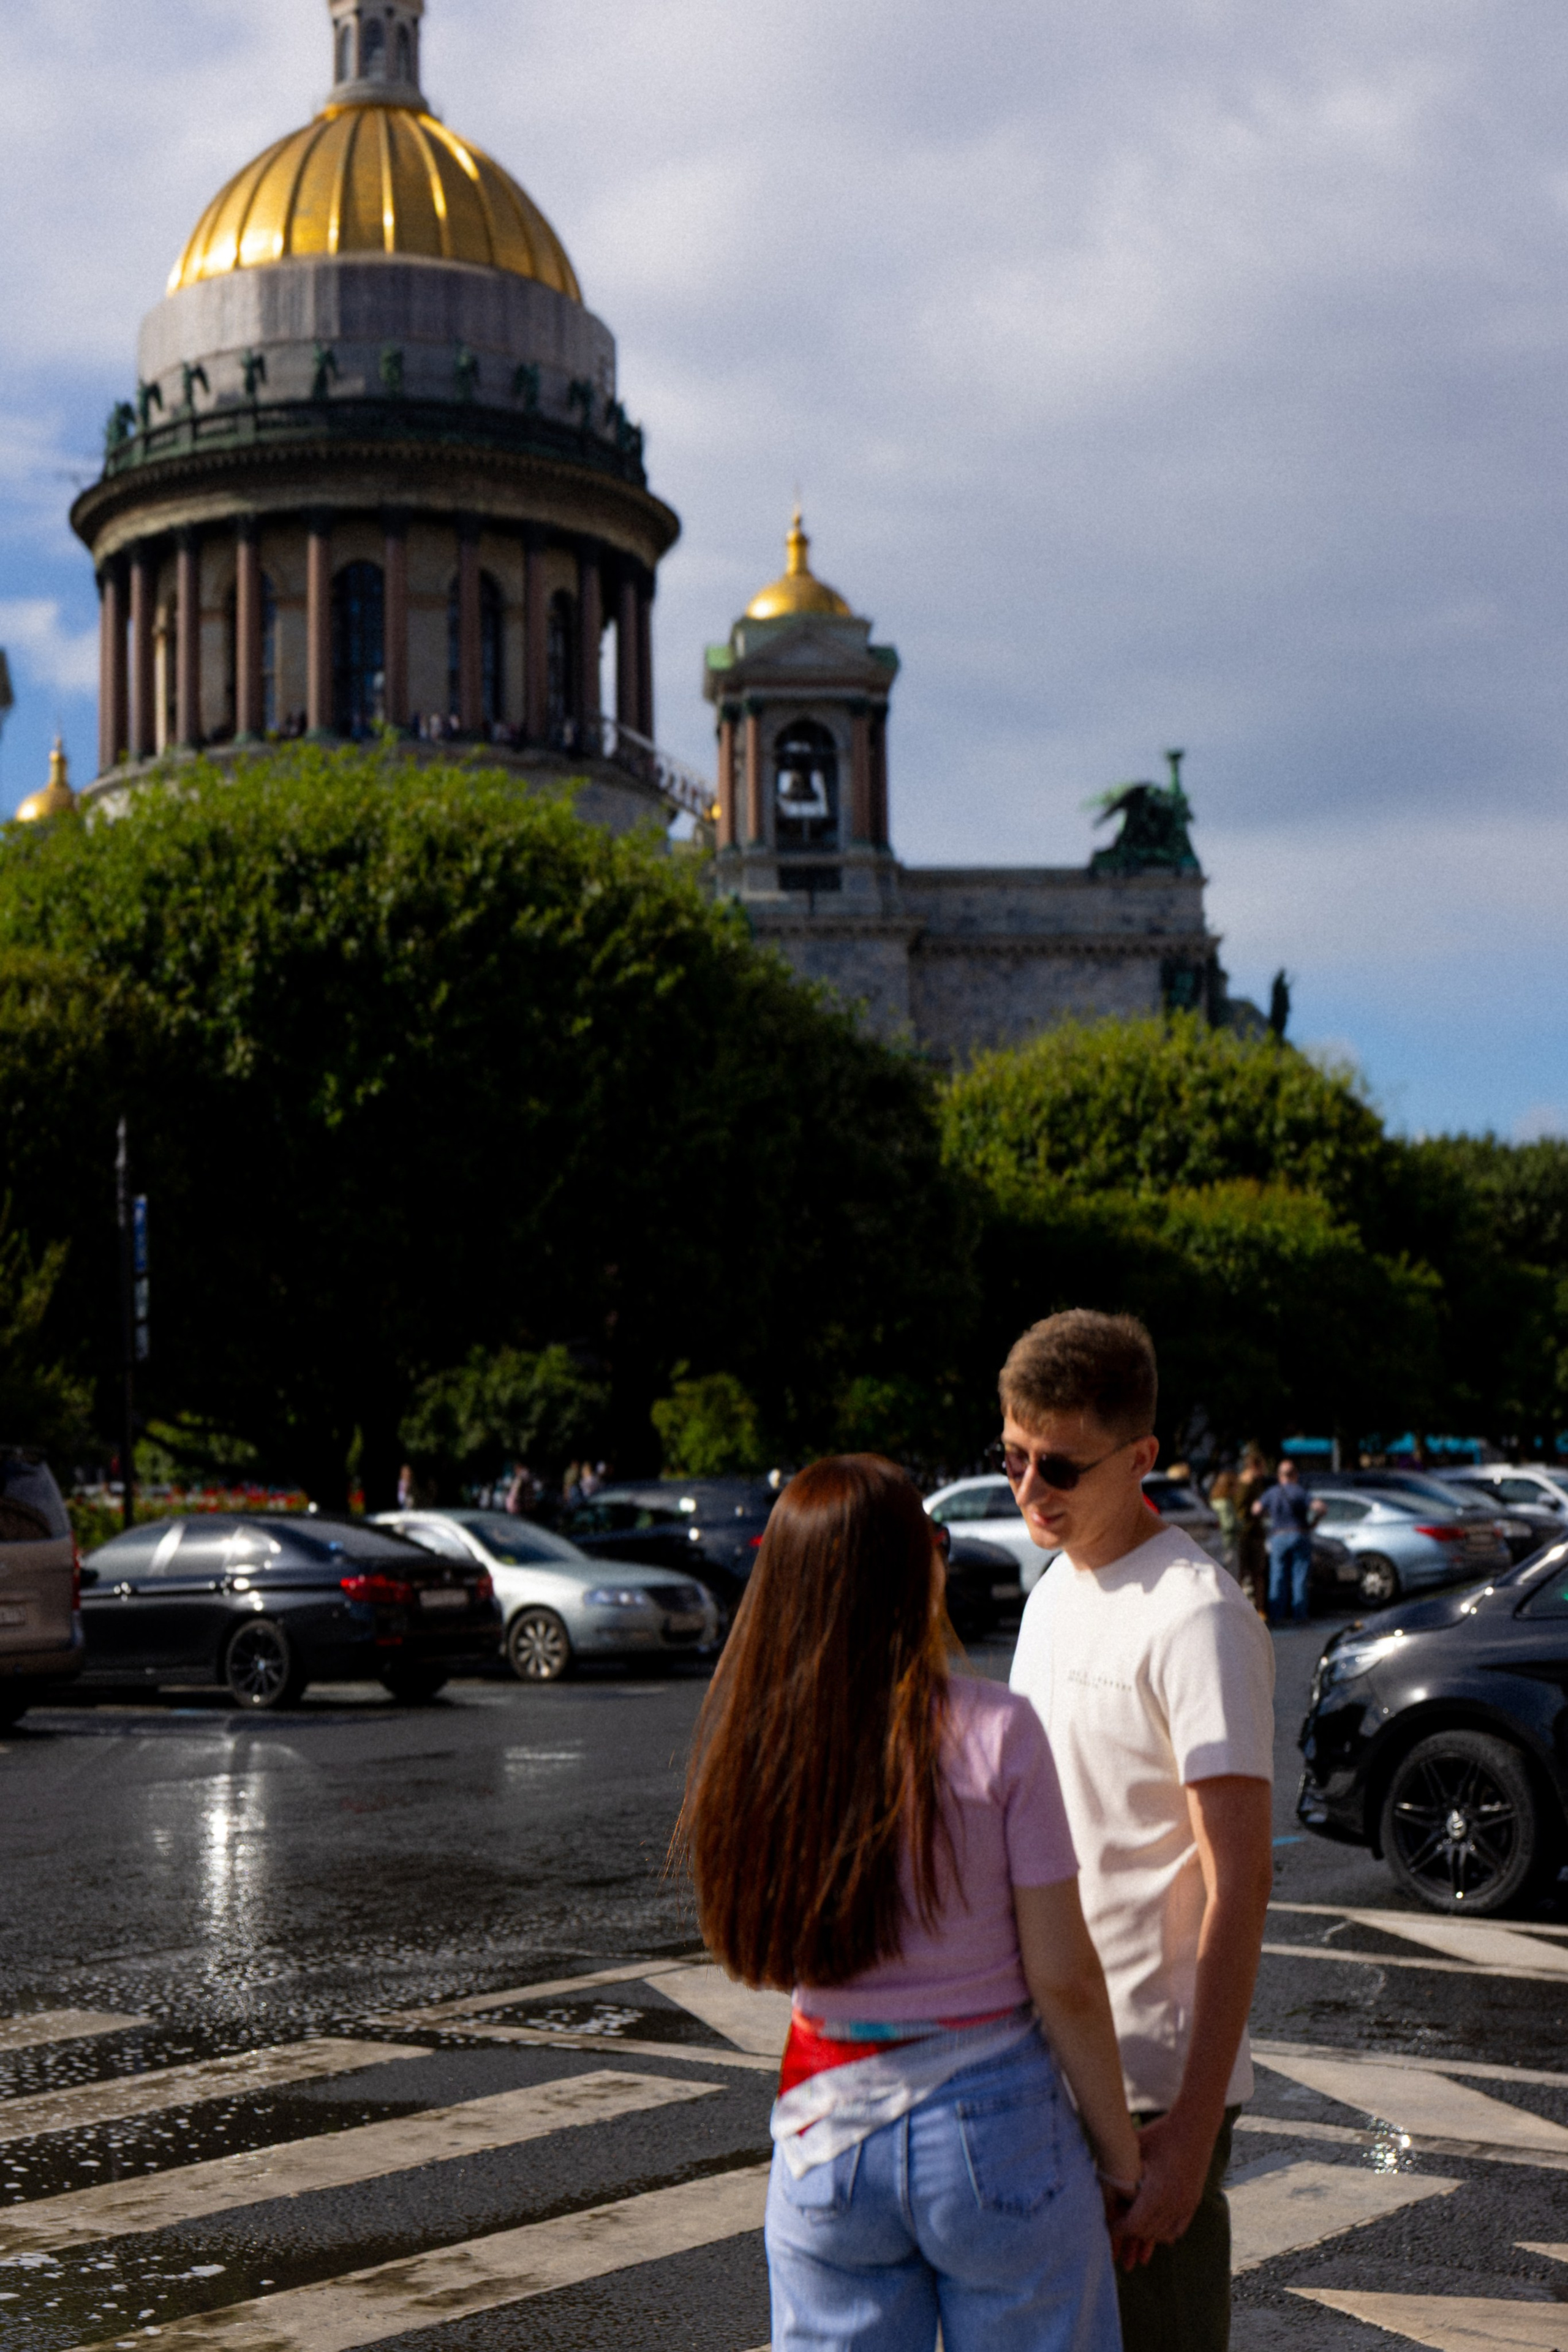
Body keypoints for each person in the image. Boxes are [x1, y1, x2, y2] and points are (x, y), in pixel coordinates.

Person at [677, 1453, 1139, 2352]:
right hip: (1000, 2126)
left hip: (825, 2132)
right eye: (934, 1541)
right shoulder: (998, 1732)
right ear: (915, 1569)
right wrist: (1120, 2157)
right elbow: (1066, 1980)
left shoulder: (759, 1748)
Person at [1004, 1312, 1275, 2352]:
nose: (1030, 1492)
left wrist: (1193, 2131)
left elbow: (1241, 1879)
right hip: (1044, 2064)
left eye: (1061, 1467)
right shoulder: (1051, 1591)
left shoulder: (1194, 1614)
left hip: (1155, 2092)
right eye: (1014, 1457)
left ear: (1142, 1458)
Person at [1253, 1457, 1322, 1626]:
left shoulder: (1272, 1492)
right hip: (1299, 1533)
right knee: (1300, 1576)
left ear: (1279, 1475)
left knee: (1277, 1576)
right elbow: (1320, 1507)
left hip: (1278, 1535)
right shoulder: (1300, 1491)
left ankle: (1276, 1616)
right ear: (1295, 1475)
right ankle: (1300, 1615)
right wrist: (1314, 1522)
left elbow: (1256, 1510)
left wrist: (1268, 1517)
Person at [1232, 1449, 1272, 1615]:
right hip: (1247, 1534)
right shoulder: (1247, 1483)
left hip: (1251, 1534)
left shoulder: (1251, 1482)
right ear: (1256, 1466)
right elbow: (1240, 1510)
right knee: (1246, 1574)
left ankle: (1258, 1609)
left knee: (1253, 1574)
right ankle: (1247, 1610)